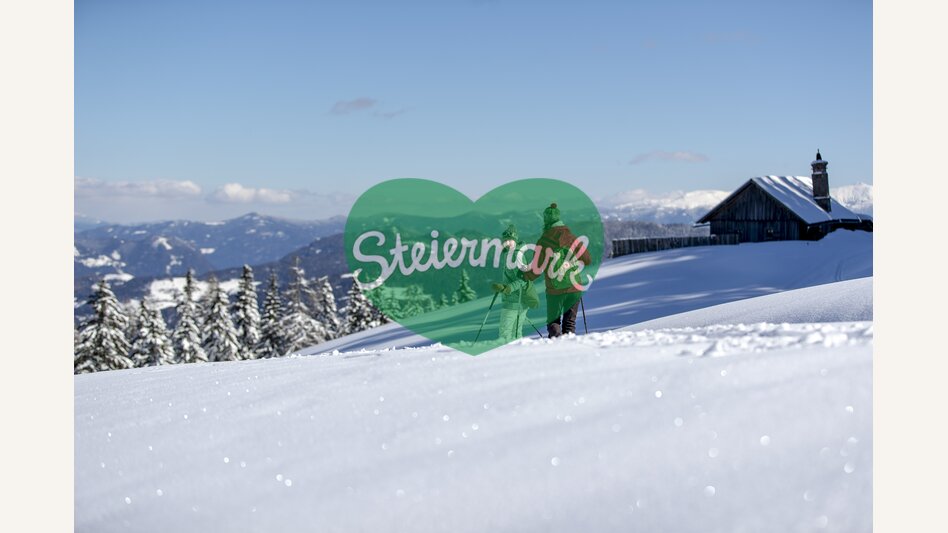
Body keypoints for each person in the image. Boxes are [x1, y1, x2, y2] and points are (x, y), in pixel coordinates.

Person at [525, 203, 591, 338]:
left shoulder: (543, 241)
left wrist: (524, 277)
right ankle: (568, 347)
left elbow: (536, 270)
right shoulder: (572, 238)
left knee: (553, 323)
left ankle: (556, 345)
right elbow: (587, 259)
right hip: (574, 287)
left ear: (546, 221)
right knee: (569, 323)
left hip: (554, 290)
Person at [491, 225, 538, 341]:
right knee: (515, 334)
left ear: (515, 240)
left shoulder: (517, 255)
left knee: (505, 334)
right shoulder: (509, 254)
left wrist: (508, 288)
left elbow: (524, 279)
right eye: (505, 240)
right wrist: (503, 287)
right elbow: (512, 277)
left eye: (510, 240)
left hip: (515, 301)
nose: (507, 243)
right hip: (515, 300)